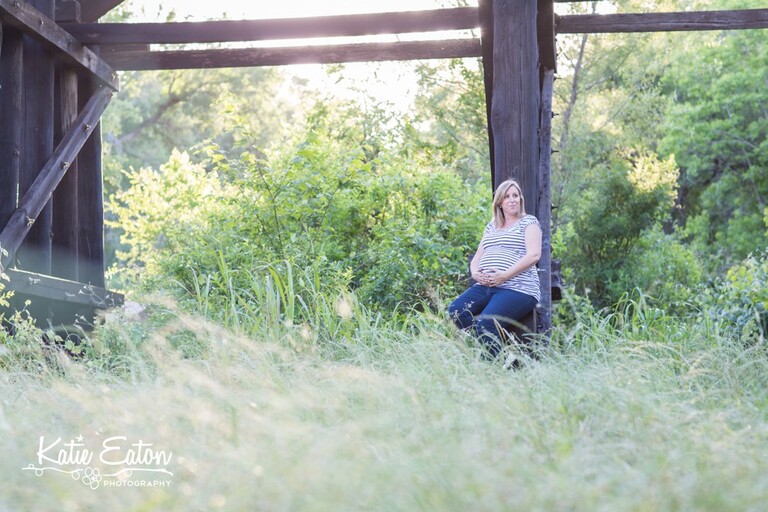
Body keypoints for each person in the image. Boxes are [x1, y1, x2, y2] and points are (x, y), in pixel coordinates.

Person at [448, 179, 542, 359]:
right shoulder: (492, 226)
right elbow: (477, 258)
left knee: (486, 323)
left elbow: (534, 255)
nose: (512, 200)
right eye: (507, 196)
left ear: (521, 199)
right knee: (456, 311)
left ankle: (492, 371)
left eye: (516, 195)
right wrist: (475, 273)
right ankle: (493, 352)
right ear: (499, 202)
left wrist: (505, 276)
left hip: (518, 288)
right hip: (487, 286)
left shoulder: (528, 222)